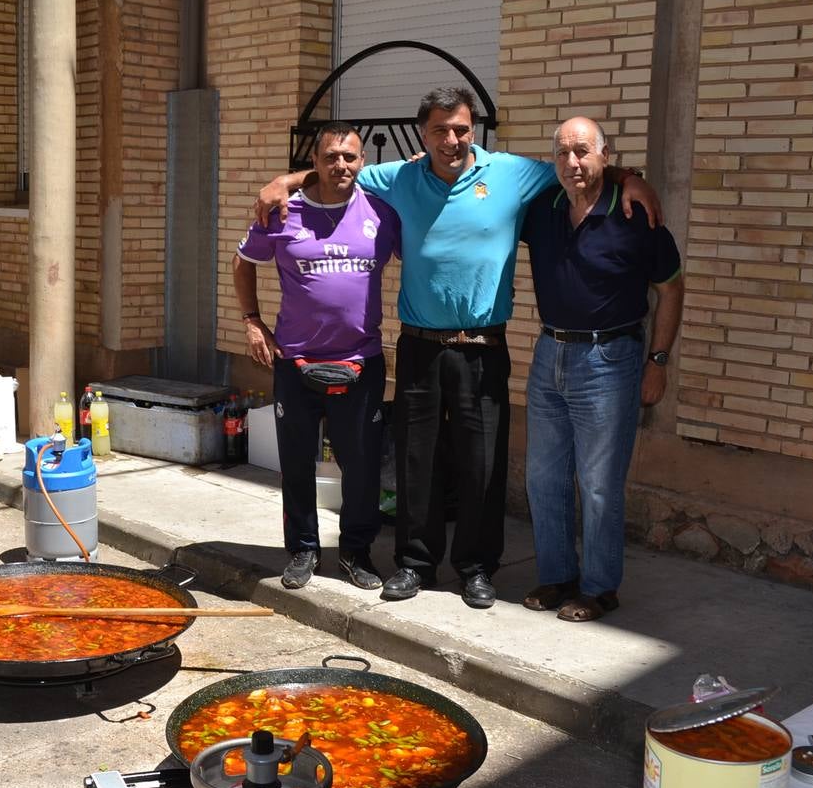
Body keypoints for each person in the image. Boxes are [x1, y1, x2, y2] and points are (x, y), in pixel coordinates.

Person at [255, 87, 661, 608]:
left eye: (462, 129)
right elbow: (340, 172)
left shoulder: (513, 173)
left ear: (475, 131)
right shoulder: (399, 176)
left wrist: (632, 179)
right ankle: (415, 564)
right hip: (420, 346)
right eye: (440, 131)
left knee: (483, 465)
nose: (452, 140)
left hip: (483, 347)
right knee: (416, 460)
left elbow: (580, 166)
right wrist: (283, 180)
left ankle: (476, 567)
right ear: (422, 137)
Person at [519, 117, 684, 622]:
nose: (573, 162)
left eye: (583, 152)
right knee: (543, 477)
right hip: (550, 353)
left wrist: (658, 361)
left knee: (597, 482)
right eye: (563, 153)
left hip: (611, 359)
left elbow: (671, 288)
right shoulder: (541, 211)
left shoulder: (636, 216)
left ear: (604, 155)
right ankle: (557, 577)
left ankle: (599, 587)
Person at [234, 121, 401, 590]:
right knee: (298, 462)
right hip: (296, 362)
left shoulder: (383, 214)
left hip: (361, 363)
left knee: (362, 466)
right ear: (316, 163)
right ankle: (303, 550)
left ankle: (356, 552)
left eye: (350, 156)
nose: (341, 165)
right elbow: (243, 263)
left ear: (362, 162)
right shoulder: (283, 212)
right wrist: (252, 321)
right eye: (331, 157)